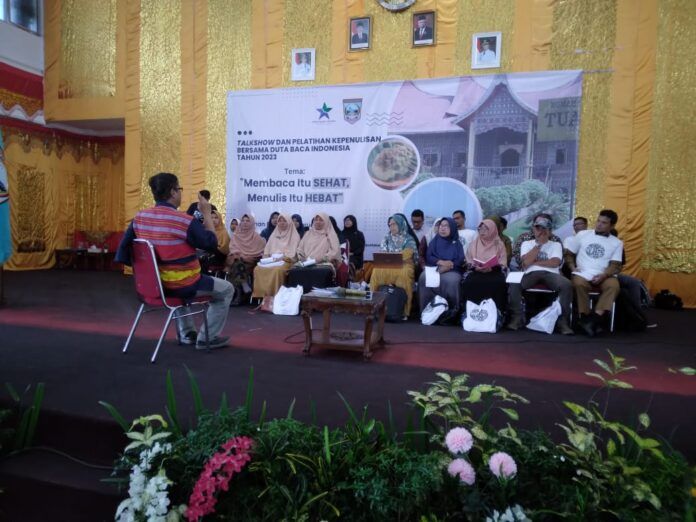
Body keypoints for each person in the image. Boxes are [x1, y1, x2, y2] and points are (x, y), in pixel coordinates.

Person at [115, 172, 233, 349]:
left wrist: (155, 271)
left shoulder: (139, 218)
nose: (180, 193)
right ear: (172, 192)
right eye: (180, 189)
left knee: (178, 280)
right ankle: (207, 338)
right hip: (183, 284)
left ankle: (187, 334)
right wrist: (207, 214)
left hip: (153, 285)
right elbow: (211, 243)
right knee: (227, 289)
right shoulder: (183, 221)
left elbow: (123, 253)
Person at [506, 216, 574, 335]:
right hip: (530, 273)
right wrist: (538, 246)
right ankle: (517, 317)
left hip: (550, 273)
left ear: (550, 231)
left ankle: (562, 322)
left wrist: (535, 262)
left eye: (544, 228)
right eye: (538, 228)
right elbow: (526, 263)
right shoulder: (526, 243)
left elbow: (555, 262)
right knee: (514, 283)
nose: (541, 231)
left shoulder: (555, 244)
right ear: (533, 229)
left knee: (566, 284)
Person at [564, 209, 623, 337]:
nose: (599, 224)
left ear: (612, 226)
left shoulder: (617, 242)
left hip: (604, 274)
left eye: (604, 223)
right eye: (598, 221)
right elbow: (569, 254)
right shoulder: (583, 235)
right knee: (579, 284)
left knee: (614, 286)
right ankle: (586, 317)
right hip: (582, 272)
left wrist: (604, 275)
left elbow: (615, 264)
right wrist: (573, 268)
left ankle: (593, 319)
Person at [371, 214, 419, 319]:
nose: (391, 227)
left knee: (404, 274)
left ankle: (403, 311)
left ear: (400, 224)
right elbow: (383, 252)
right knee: (376, 271)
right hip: (388, 264)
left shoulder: (409, 238)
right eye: (390, 225)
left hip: (405, 264)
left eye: (394, 224)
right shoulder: (386, 238)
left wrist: (395, 257)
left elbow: (408, 254)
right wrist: (390, 258)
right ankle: (374, 306)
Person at [460, 219, 508, 314]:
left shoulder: (499, 244)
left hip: (494, 271)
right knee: (469, 282)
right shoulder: (474, 244)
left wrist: (492, 268)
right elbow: (468, 260)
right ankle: (471, 312)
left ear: (492, 230)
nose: (482, 231)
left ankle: (496, 313)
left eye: (485, 229)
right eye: (480, 229)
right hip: (476, 271)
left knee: (498, 283)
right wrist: (474, 266)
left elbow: (503, 262)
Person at [419, 217, 465, 313]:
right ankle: (427, 311)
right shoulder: (435, 241)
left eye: (446, 226)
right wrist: (440, 262)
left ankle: (452, 311)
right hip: (436, 268)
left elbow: (460, 259)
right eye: (441, 226)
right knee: (424, 277)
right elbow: (429, 256)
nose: (443, 228)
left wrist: (449, 266)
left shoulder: (457, 243)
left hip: (452, 270)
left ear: (452, 228)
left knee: (452, 281)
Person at [287, 212, 342, 292]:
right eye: (316, 220)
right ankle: (298, 296)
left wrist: (321, 259)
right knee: (294, 272)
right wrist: (302, 258)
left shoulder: (331, 235)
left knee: (322, 272)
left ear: (326, 222)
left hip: (323, 263)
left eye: (321, 220)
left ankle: (319, 297)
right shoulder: (308, 233)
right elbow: (300, 249)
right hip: (306, 262)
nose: (318, 222)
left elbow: (334, 251)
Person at [252, 213, 300, 299]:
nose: (282, 223)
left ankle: (275, 296)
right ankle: (261, 296)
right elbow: (267, 249)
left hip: (286, 261)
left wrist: (282, 258)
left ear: (289, 222)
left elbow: (292, 254)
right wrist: (267, 258)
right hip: (272, 260)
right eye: (280, 221)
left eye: (284, 221)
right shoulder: (274, 234)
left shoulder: (294, 235)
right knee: (258, 268)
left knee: (277, 270)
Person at [225, 214, 266, 304]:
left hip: (250, 261)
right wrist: (241, 255)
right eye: (243, 220)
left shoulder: (256, 236)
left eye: (247, 221)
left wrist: (246, 256)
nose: (245, 223)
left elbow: (260, 251)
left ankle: (237, 295)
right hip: (239, 259)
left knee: (236, 265)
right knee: (237, 263)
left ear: (252, 223)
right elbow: (233, 248)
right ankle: (242, 289)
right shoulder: (236, 235)